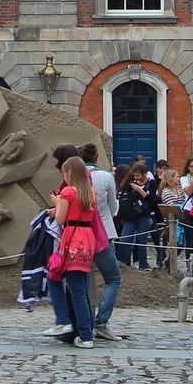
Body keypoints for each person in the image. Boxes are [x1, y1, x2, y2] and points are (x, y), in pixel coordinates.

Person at [46, 156, 107, 349]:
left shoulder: (68, 192)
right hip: (87, 237)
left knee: (64, 282)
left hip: (72, 238)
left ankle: (82, 332)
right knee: (80, 285)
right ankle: (84, 329)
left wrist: (56, 204)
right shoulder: (90, 193)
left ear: (69, 172)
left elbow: (60, 219)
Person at [77, 143, 124, 341]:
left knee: (84, 281)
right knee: (113, 279)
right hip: (103, 233)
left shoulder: (74, 178)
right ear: (96, 157)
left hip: (79, 234)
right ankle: (102, 322)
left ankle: (85, 322)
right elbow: (113, 206)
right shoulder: (106, 177)